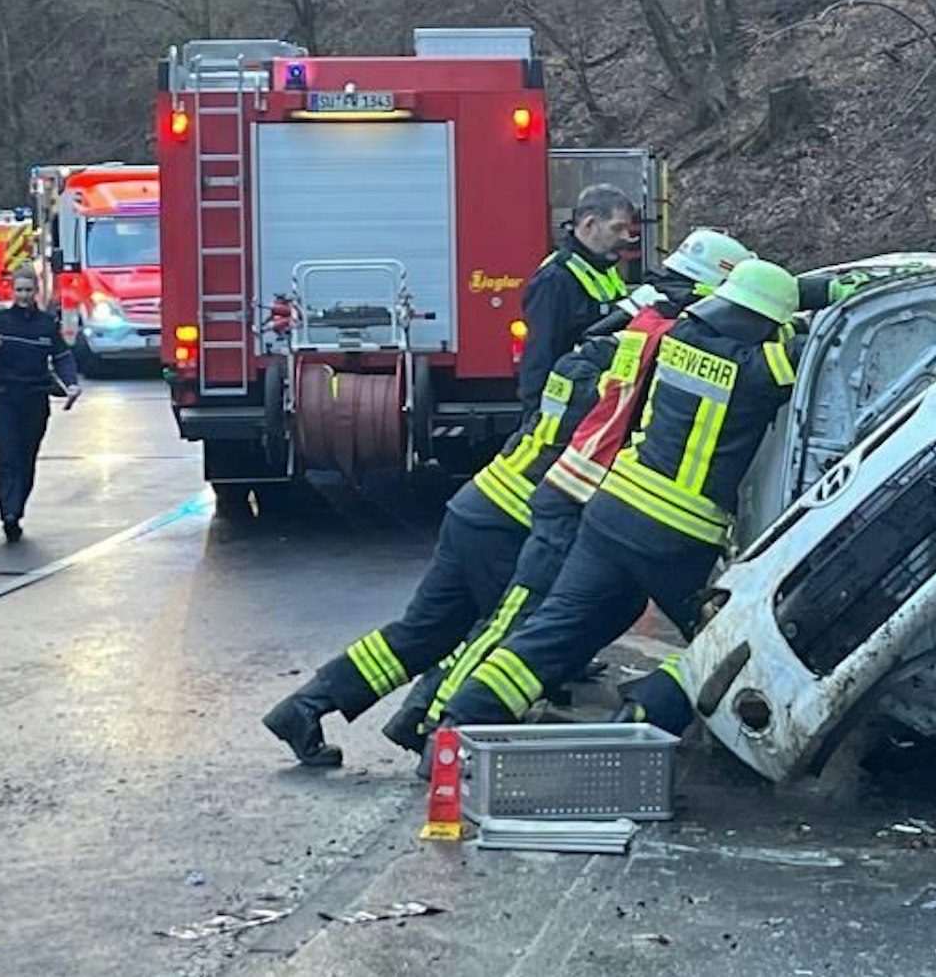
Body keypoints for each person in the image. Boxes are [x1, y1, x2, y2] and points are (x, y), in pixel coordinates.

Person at [261, 229, 752, 767]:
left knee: (421, 632)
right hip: (519, 516)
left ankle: (306, 706)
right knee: (505, 634)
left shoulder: (600, 346)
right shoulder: (646, 359)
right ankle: (436, 737)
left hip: (486, 500)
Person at [407, 229, 756, 739]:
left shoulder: (642, 319)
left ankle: (440, 720)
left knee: (552, 622)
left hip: (589, 495)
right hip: (584, 495)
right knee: (523, 620)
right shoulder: (682, 331)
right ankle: (438, 725)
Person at [515, 183, 639, 437]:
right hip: (567, 414)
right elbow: (539, 359)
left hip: (596, 407)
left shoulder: (603, 269)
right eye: (617, 228)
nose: (626, 237)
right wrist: (536, 424)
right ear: (589, 224)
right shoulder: (555, 279)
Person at [0, 266, 81, 542]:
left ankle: (17, 508)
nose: (23, 295)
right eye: (19, 290)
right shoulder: (0, 322)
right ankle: (8, 514)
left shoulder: (46, 324)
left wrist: (71, 384)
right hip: (3, 398)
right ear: (12, 291)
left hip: (34, 398)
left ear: (35, 291)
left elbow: (61, 357)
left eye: (28, 290)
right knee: (7, 457)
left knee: (26, 458)